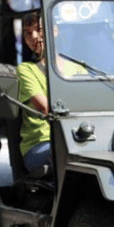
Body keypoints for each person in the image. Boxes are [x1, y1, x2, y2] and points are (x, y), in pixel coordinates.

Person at [16, 13, 84, 174]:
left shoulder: (77, 68)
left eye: (39, 30)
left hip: (77, 138)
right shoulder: (26, 69)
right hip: (41, 144)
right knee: (76, 155)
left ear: (54, 30)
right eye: (27, 33)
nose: (34, 36)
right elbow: (46, 108)